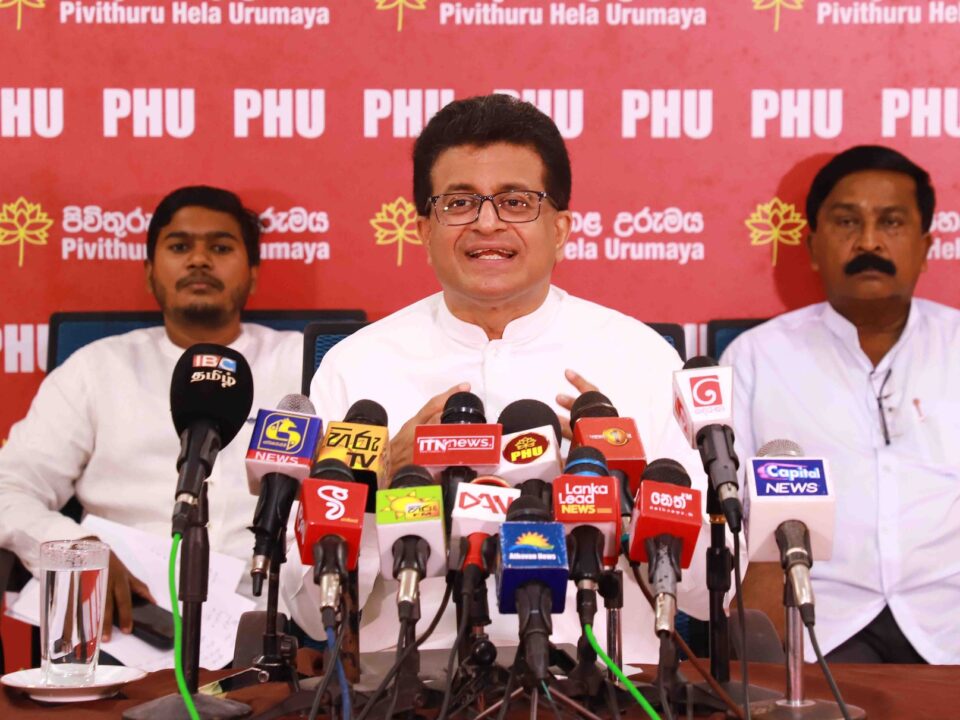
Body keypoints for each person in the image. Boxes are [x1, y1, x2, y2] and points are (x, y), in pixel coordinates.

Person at [283, 94, 717, 663]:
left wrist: (624, 491)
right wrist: (379, 482)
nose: (487, 223)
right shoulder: (357, 366)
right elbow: (306, 608)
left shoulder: (640, 358)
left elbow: (711, 595)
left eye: (515, 201)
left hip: (606, 681)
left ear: (560, 229)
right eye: (459, 202)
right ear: (424, 229)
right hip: (406, 686)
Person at [0, 186, 302, 641]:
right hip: (128, 625)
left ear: (253, 274)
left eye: (221, 248)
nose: (199, 260)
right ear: (149, 273)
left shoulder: (303, 365)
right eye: (179, 247)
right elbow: (9, 486)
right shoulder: (96, 368)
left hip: (276, 623)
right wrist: (76, 550)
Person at [723, 145, 960, 664]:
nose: (869, 241)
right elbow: (724, 510)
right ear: (812, 246)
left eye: (891, 222)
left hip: (950, 623)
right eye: (848, 221)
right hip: (817, 625)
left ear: (925, 247)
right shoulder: (757, 358)